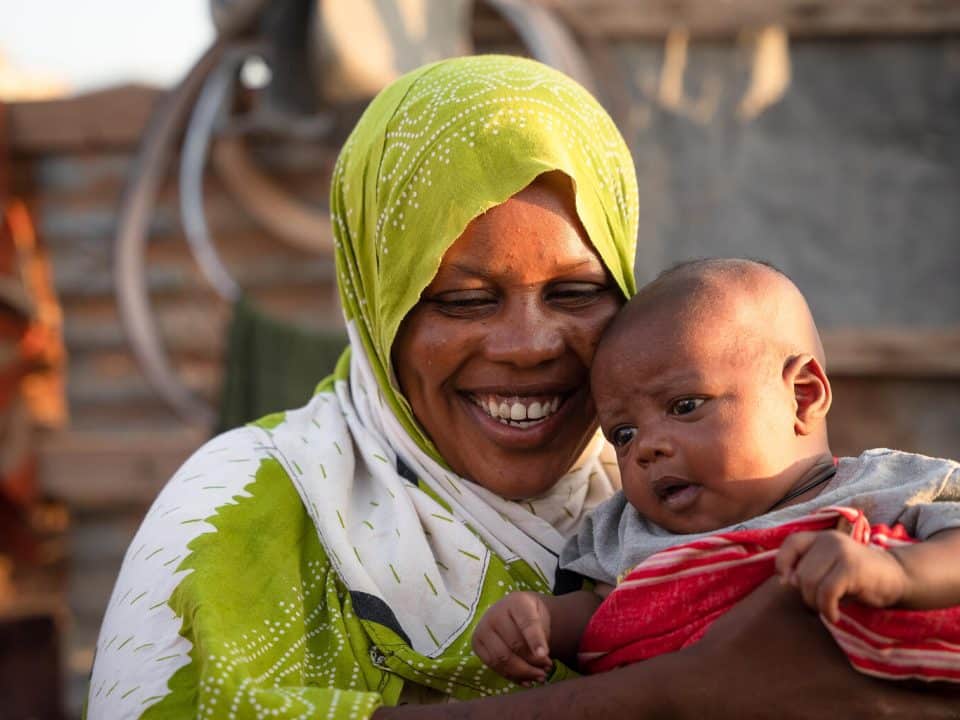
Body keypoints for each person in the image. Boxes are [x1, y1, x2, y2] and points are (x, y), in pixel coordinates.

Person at [86, 57, 958, 720]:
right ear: (375, 305)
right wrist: (684, 690)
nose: (529, 344)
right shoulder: (241, 508)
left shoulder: (670, 487)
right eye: (464, 300)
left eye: (578, 293)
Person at [473, 258, 960, 683]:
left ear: (803, 396)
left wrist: (895, 572)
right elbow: (602, 613)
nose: (647, 449)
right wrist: (539, 621)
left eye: (685, 405)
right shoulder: (629, 531)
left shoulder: (884, 487)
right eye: (622, 434)